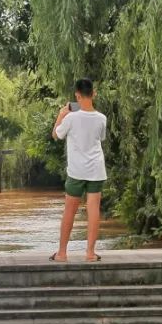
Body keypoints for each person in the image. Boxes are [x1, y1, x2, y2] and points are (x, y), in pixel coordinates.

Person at [50, 78, 107, 262]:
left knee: (69, 211)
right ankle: (90, 253)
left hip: (76, 171)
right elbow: (100, 138)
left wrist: (61, 114)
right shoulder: (102, 118)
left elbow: (56, 135)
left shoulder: (71, 118)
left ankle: (62, 253)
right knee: (93, 210)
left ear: (77, 95)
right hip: (96, 170)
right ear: (94, 93)